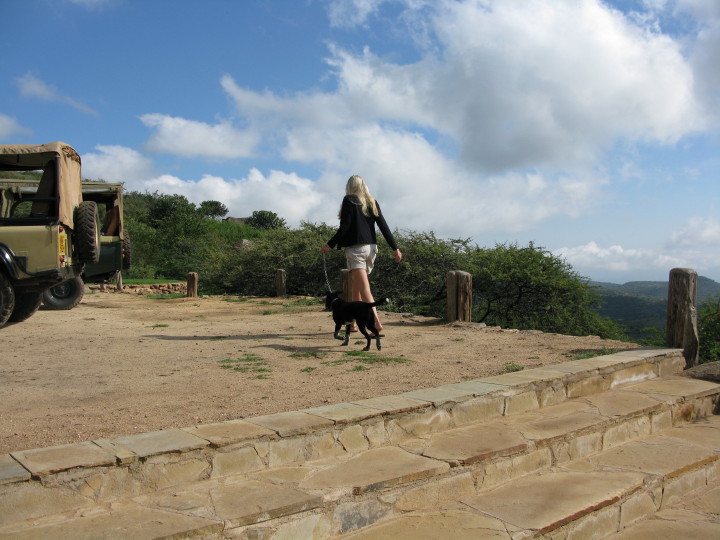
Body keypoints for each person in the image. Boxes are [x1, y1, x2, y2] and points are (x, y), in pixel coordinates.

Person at [321, 175, 402, 331]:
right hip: (371, 249)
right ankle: (353, 323)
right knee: (356, 285)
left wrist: (329, 244)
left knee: (364, 289)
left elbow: (344, 227)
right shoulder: (372, 202)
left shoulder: (349, 200)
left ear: (350, 186)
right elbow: (384, 226)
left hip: (356, 249)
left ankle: (375, 322)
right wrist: (395, 248)